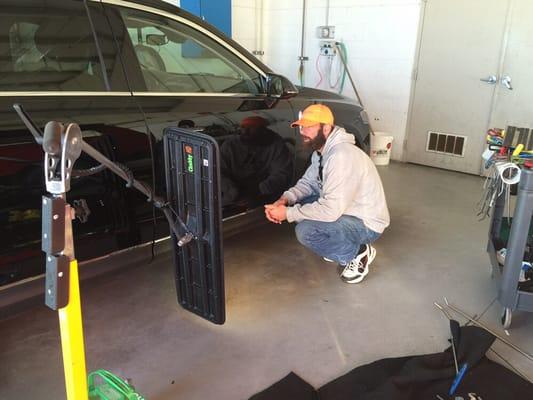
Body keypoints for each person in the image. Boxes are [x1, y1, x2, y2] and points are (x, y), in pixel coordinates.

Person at [264, 104, 389, 284]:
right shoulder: (321, 152)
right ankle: (339, 245)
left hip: (366, 223)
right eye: (301, 126)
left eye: (309, 126)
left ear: (326, 128)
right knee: (303, 203)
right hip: (346, 210)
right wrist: (285, 199)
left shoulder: (342, 156)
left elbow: (330, 210)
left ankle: (357, 253)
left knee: (306, 230)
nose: (303, 132)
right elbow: (308, 183)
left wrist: (288, 214)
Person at [220, 116, 293, 207]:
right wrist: (233, 192)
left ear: (263, 130)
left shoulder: (276, 145)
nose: (245, 132)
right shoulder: (230, 145)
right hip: (232, 195)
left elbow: (282, 174)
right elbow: (219, 171)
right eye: (243, 128)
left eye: (251, 128)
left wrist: (258, 190)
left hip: (264, 196)